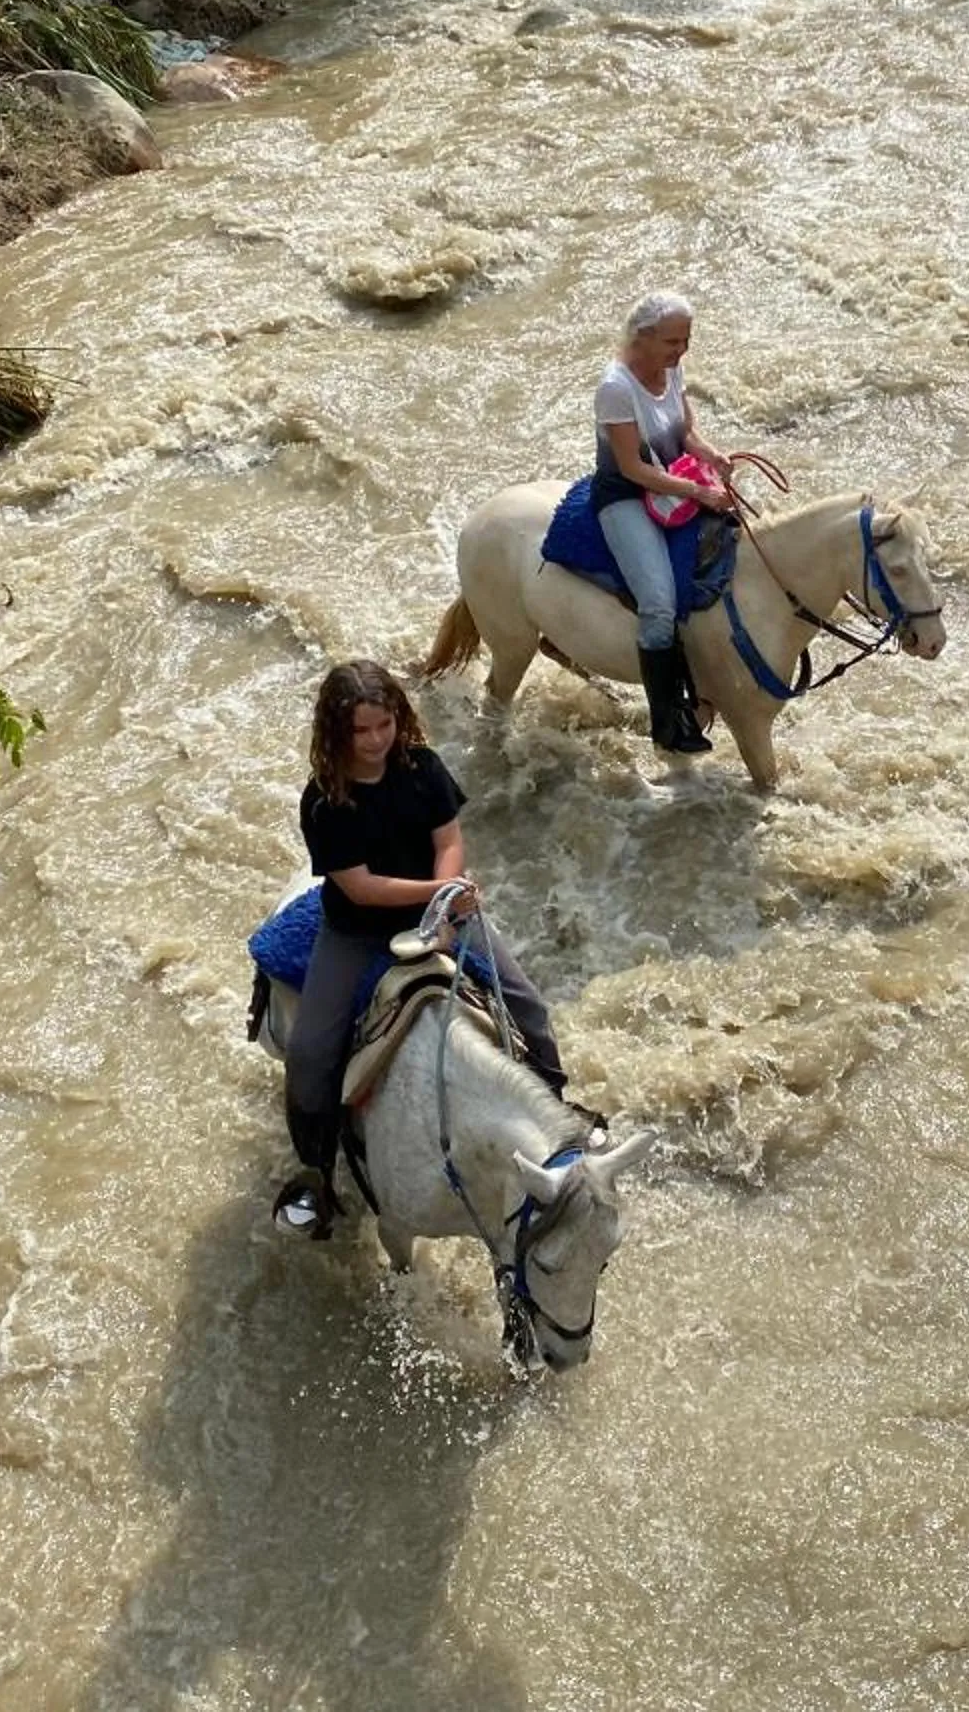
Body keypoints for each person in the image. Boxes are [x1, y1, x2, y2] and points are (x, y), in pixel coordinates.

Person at [276, 659, 568, 1237]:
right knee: (310, 1052)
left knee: (528, 1005)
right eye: (362, 730)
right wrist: (444, 891)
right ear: (339, 732)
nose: (377, 740)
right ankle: (316, 1171)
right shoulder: (324, 799)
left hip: (445, 913)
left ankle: (559, 1122)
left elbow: (449, 839)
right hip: (358, 930)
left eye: (384, 724)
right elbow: (360, 886)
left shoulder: (422, 767)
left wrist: (451, 894)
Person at [593, 291, 735, 755]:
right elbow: (632, 467)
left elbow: (684, 432)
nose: (682, 351)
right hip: (628, 497)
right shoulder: (616, 387)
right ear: (644, 336)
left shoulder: (672, 370)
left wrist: (709, 453)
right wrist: (698, 492)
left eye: (686, 340)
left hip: (675, 479)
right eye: (673, 341)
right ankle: (668, 723)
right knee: (657, 603)